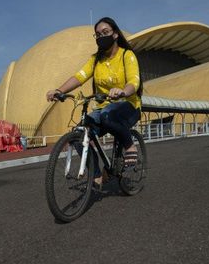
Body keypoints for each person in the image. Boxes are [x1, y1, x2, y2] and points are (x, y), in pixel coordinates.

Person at [46, 17, 141, 186]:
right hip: (105, 107)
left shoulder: (127, 55)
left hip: (128, 105)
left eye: (105, 33)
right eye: (97, 35)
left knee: (106, 116)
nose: (101, 37)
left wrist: (122, 92)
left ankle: (129, 146)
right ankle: (96, 173)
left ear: (115, 35)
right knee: (79, 132)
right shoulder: (96, 60)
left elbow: (134, 81)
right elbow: (79, 76)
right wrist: (59, 91)